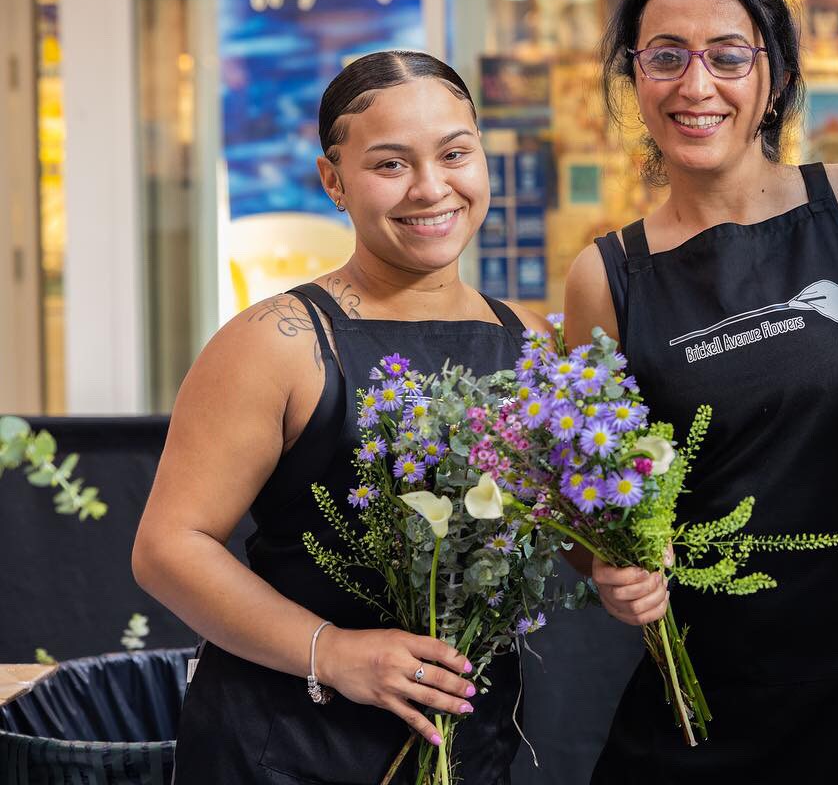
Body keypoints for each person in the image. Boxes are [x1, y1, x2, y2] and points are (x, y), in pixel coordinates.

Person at [563, 0, 838, 783]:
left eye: (727, 55)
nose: (696, 86)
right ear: (634, 80)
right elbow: (589, 502)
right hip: (713, 691)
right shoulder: (607, 276)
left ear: (773, 75)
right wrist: (609, 569)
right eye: (665, 58)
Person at [133, 51, 551, 784]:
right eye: (390, 165)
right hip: (285, 748)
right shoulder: (278, 341)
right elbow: (169, 548)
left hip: (466, 743)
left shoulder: (532, 344)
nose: (432, 188)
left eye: (455, 153)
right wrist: (335, 651)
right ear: (334, 180)